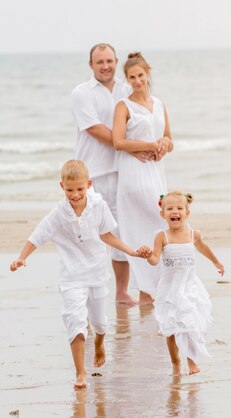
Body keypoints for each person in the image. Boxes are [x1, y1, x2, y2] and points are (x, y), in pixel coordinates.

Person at [9, 160, 150, 389]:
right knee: (75, 320)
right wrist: (22, 257)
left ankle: (100, 342)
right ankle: (80, 373)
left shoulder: (98, 206)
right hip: (71, 276)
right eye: (69, 190)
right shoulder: (58, 214)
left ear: (89, 185)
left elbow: (108, 236)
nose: (75, 195)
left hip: (95, 271)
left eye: (80, 189)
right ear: (61, 187)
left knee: (100, 323)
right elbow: (38, 235)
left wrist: (132, 251)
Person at [71, 43, 144, 306]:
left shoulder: (126, 89)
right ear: (91, 65)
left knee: (119, 233)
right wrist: (130, 145)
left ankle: (122, 292)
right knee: (90, 235)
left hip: (123, 171)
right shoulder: (82, 93)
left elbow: (140, 120)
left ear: (116, 62)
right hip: (93, 174)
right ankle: (86, 294)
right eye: (100, 62)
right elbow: (95, 129)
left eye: (110, 61)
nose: (105, 66)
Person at [112, 51, 174, 305]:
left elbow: (169, 138)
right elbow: (118, 142)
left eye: (140, 75)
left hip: (156, 171)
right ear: (127, 79)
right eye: (132, 77)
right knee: (144, 226)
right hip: (133, 173)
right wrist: (146, 144)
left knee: (157, 224)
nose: (137, 81)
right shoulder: (123, 106)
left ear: (148, 75)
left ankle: (156, 289)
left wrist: (162, 146)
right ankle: (146, 291)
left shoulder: (159, 104)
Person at [145, 191, 224, 376]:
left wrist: (216, 261)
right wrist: (148, 255)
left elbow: (203, 247)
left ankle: (192, 362)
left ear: (187, 213)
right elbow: (155, 259)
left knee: (191, 324)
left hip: (189, 286)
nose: (175, 211)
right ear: (163, 214)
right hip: (169, 288)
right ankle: (175, 362)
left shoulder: (192, 234)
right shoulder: (161, 236)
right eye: (170, 208)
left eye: (179, 208)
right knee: (170, 327)